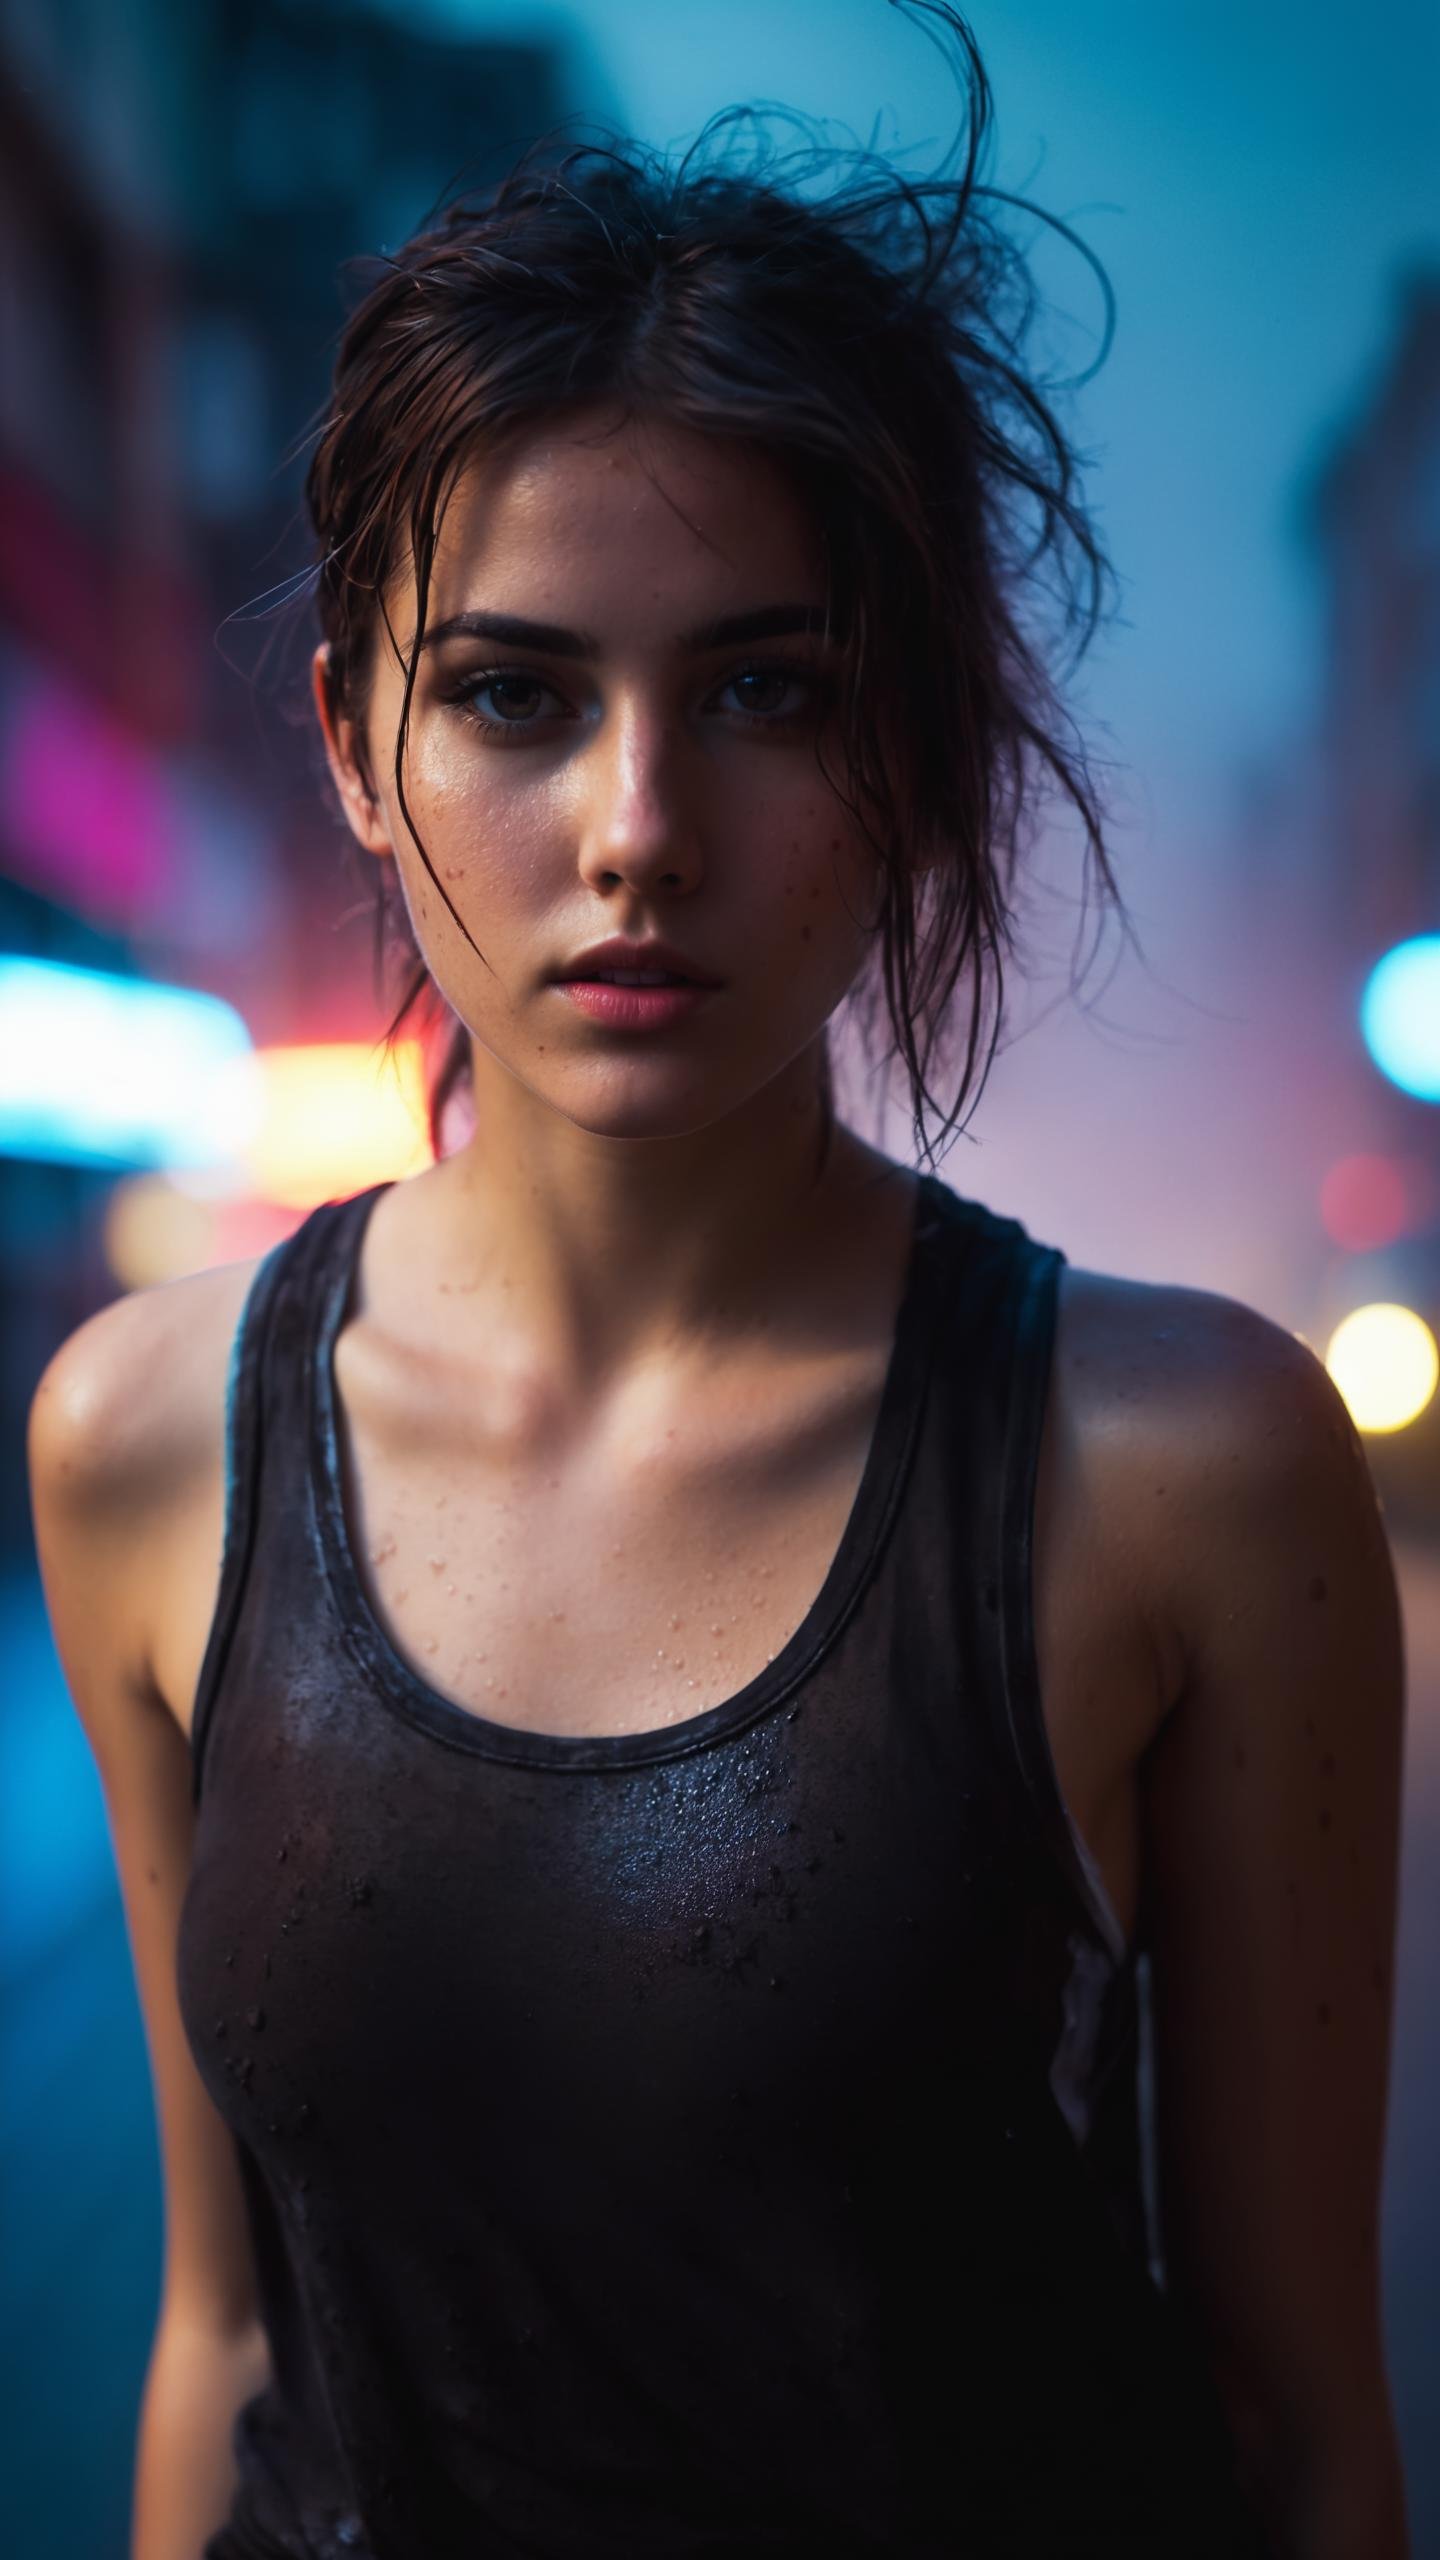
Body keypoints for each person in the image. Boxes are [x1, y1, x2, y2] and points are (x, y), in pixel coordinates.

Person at [27, 14, 1409, 2557]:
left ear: (915, 746)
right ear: (354, 742)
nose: (639, 829)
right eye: (515, 696)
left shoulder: (1179, 1467)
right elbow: (229, 2344)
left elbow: (1302, 2429)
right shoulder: (144, 1437)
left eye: (766, 687)